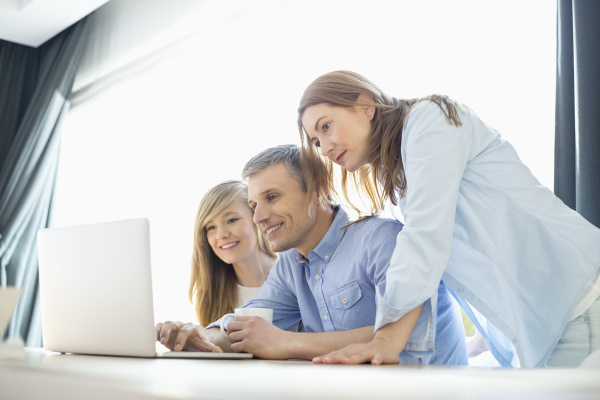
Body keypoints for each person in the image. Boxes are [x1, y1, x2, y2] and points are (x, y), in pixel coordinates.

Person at [296, 70, 600, 367]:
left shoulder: (430, 119)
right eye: (315, 141)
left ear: (366, 106)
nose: (324, 147)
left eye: (326, 127)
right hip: (551, 318)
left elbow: (424, 239)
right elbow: (468, 254)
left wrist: (386, 341)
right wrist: (486, 339)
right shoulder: (398, 171)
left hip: (575, 299)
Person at [156, 144, 468, 364]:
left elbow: (410, 334)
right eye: (253, 205)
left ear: (318, 189)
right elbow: (248, 323)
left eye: (272, 197)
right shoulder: (291, 265)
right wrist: (203, 337)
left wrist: (287, 343)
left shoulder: (380, 239)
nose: (258, 217)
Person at [156, 180, 277, 351]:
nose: (221, 234)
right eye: (211, 227)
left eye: (231, 220)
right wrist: (196, 339)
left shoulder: (292, 273)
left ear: (256, 218)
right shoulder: (215, 290)